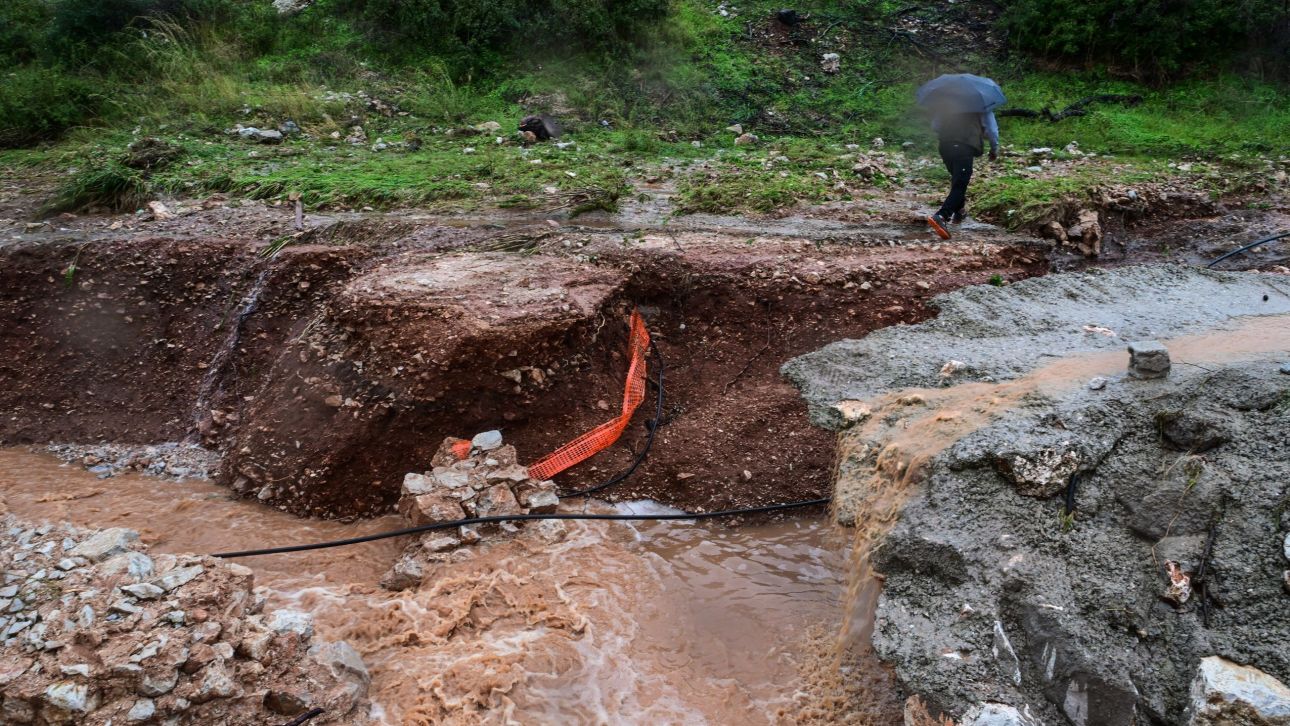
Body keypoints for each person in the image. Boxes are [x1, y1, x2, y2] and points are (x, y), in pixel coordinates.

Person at [926, 108, 998, 240]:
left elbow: (935, 126)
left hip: (945, 146)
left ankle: (959, 211)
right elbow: (991, 130)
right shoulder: (981, 106)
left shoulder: (947, 102)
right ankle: (941, 216)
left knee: (957, 180)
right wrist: (994, 148)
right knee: (960, 184)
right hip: (964, 147)